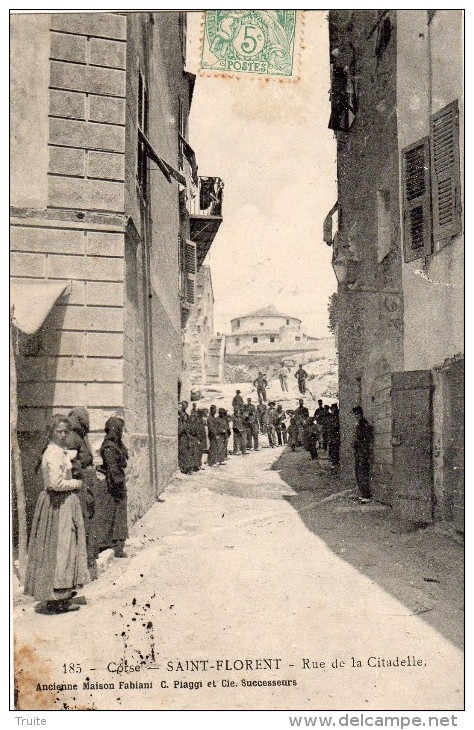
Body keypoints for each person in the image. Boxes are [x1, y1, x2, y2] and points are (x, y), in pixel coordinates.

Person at [24, 415, 88, 613]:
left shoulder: (57, 451)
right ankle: (56, 597)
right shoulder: (52, 453)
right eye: (58, 431)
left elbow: (63, 461)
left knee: (63, 547)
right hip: (58, 503)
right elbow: (55, 484)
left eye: (65, 432)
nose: (62, 435)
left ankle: (61, 593)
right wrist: (76, 483)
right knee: (62, 547)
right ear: (51, 433)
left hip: (59, 502)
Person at [66, 407, 99, 580]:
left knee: (90, 516)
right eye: (85, 418)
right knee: (84, 519)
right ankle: (84, 564)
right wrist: (83, 471)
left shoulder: (80, 434)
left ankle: (90, 560)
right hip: (80, 484)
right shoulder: (72, 436)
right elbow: (71, 462)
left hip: (87, 481)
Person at [95, 416, 129, 558]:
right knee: (110, 514)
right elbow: (112, 468)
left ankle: (117, 545)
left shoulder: (116, 444)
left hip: (115, 483)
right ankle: (108, 544)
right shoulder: (109, 447)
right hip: (112, 485)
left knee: (118, 515)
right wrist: (120, 483)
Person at [352, 406, 373, 501]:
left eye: (358, 414)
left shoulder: (364, 424)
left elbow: (366, 440)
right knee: (359, 473)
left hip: (363, 452)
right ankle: (363, 493)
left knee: (362, 473)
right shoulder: (359, 424)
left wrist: (356, 443)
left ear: (361, 414)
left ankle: (366, 495)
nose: (356, 416)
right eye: (355, 414)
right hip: (359, 452)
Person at [327, 403, 340, 469]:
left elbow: (336, 426)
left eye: (332, 409)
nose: (331, 410)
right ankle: (334, 461)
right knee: (333, 448)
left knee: (335, 448)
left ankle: (335, 463)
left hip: (335, 435)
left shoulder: (336, 416)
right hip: (332, 435)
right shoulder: (333, 416)